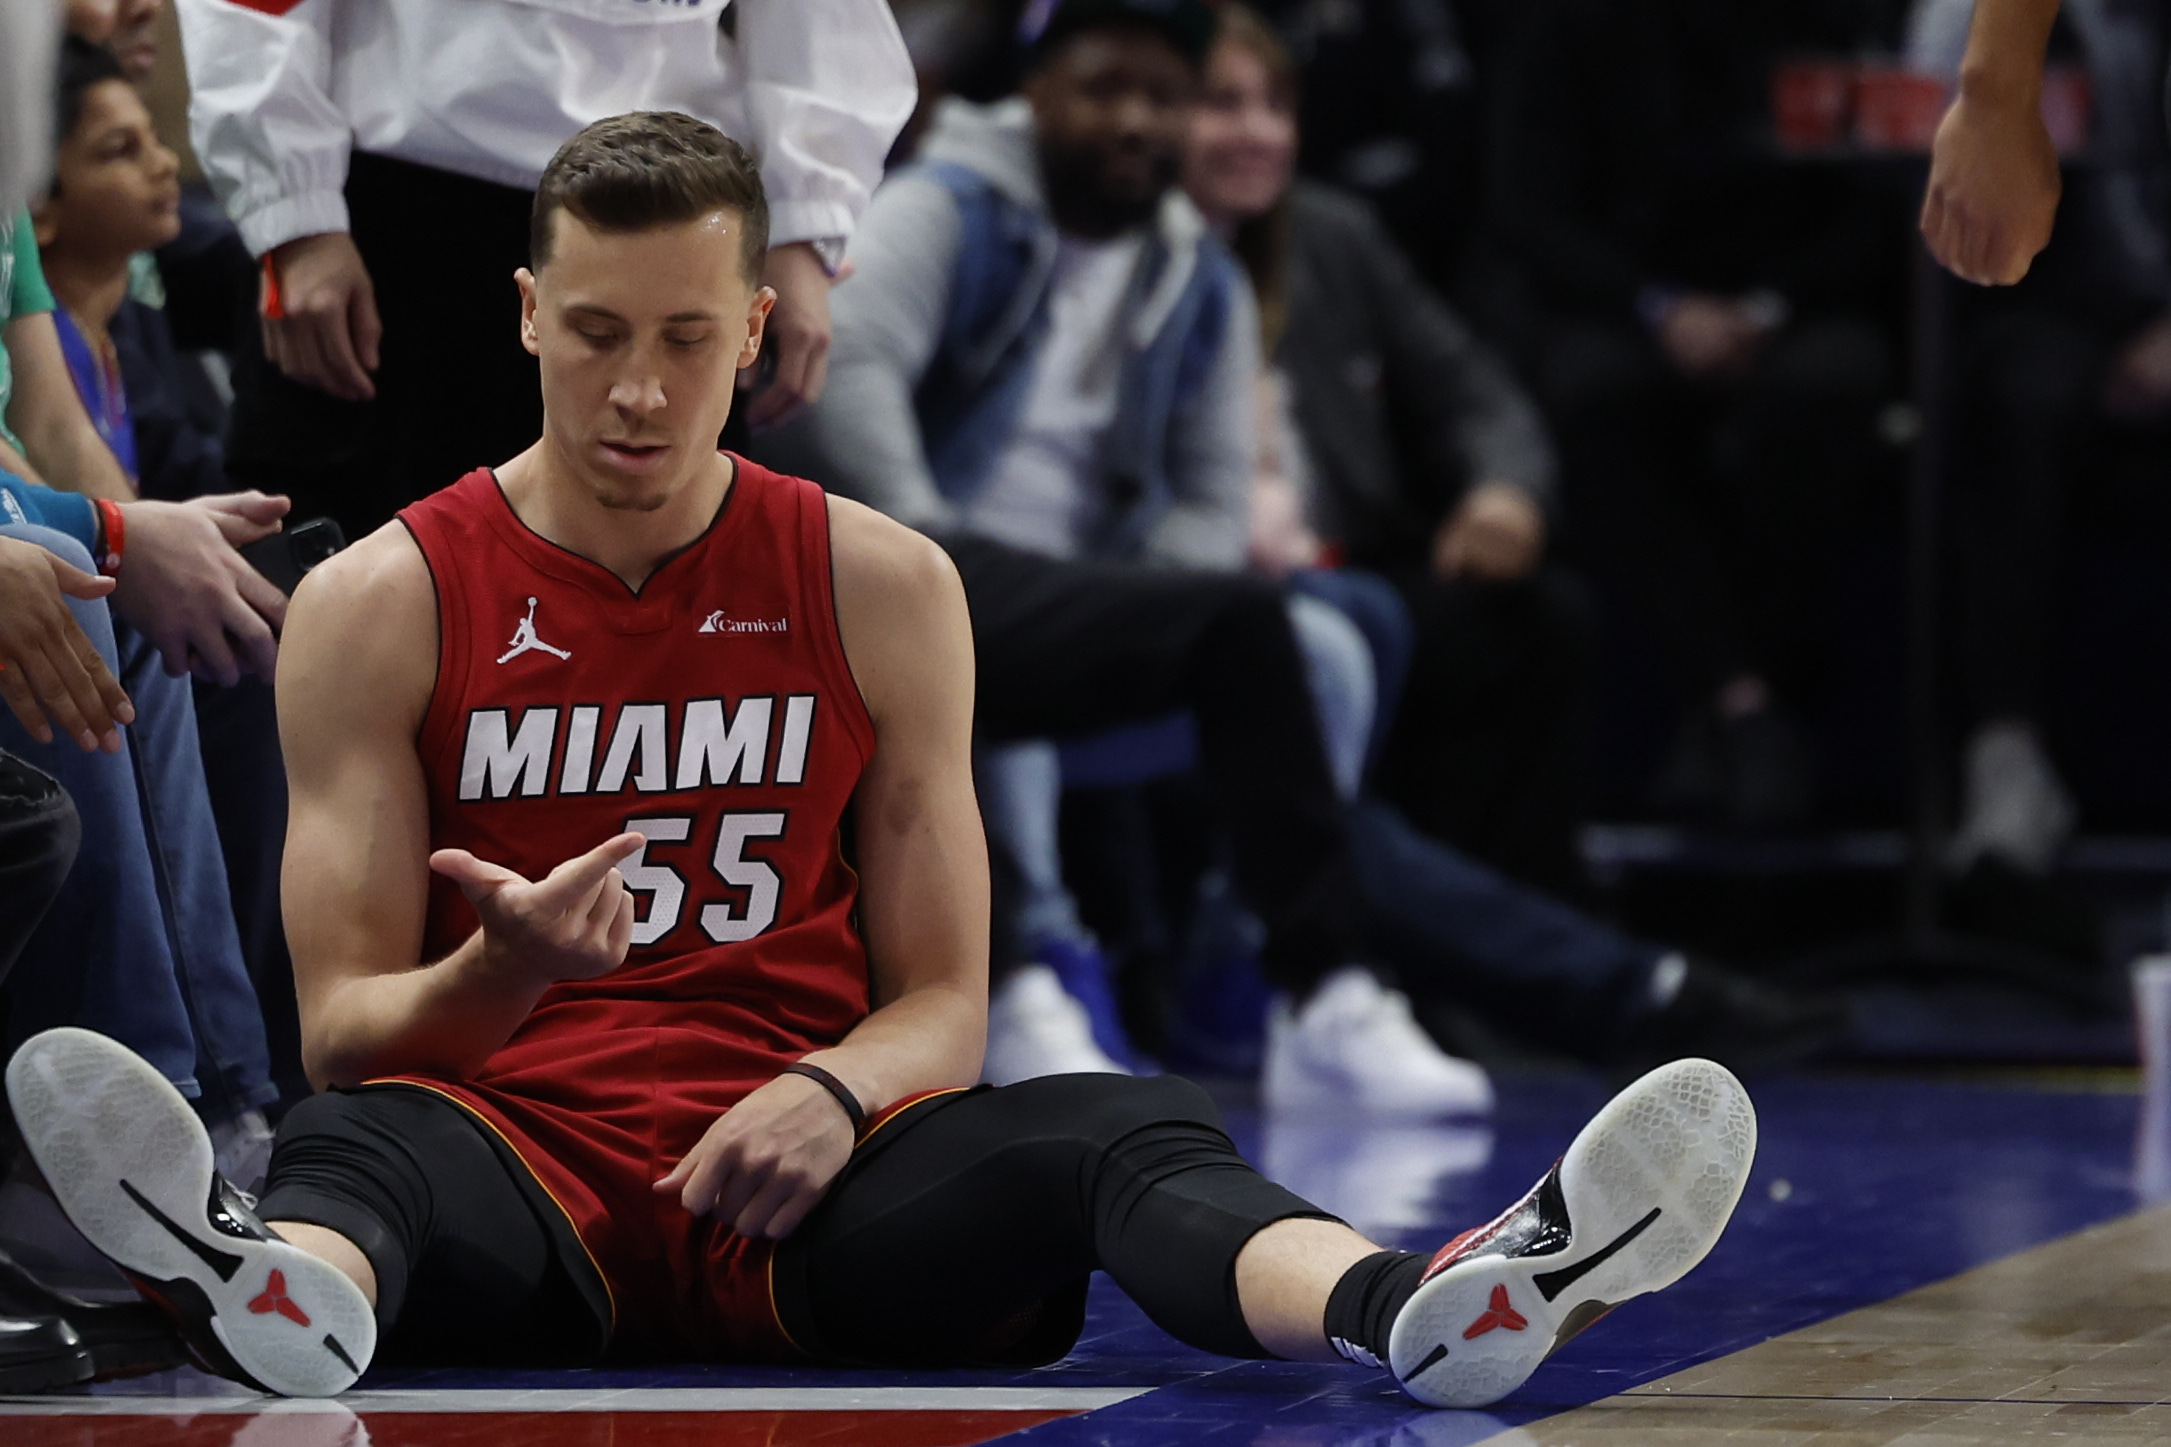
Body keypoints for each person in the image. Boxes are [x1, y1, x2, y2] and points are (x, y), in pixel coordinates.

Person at [5, 110, 1758, 1410]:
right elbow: (345, 1027)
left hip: (809, 1191)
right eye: (598, 334)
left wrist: (837, 1093)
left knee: (1125, 1126)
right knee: (355, 1146)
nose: (636, 390)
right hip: (506, 1161)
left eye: (687, 338)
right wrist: (506, 966)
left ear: (753, 334)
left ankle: (1416, 1304)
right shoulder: (385, 595)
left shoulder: (880, 581)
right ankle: (277, 1284)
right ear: (527, 314)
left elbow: (944, 995)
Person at [173, 0, 916, 541]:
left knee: (653, 599)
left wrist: (805, 215)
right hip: (390, 210)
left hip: (667, 201)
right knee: (332, 595)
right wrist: (294, 209)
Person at [1185, 6, 1591, 897]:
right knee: (1350, 630)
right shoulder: (1127, 252)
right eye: (1221, 105)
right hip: (1205, 573)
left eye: (1274, 107)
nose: (1255, 133)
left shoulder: (1330, 235)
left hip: (1344, 548)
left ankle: (1509, 912)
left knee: (1535, 621)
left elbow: (1470, 388)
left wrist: (1502, 492)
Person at [1481, 0, 1907, 829]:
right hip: (1627, 303)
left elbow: (1880, 197)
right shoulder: (1564, 24)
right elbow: (1527, 209)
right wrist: (1657, 308)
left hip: (1796, 302)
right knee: (1589, 398)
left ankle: (1734, 707)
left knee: (1827, 394)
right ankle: (1743, 703)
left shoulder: (1840, 15)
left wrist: (1768, 307)